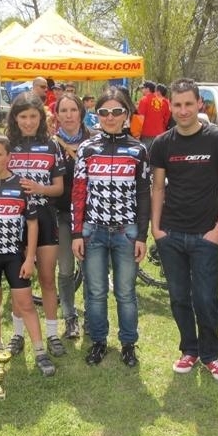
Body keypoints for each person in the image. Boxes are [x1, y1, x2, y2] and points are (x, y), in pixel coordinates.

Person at [150, 79, 218, 382]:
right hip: (171, 234)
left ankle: (211, 355)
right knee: (178, 297)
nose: (183, 110)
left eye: (189, 103)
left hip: (205, 235)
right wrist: (156, 229)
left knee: (205, 299)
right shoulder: (162, 143)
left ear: (199, 103)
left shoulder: (217, 139)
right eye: (177, 104)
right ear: (170, 106)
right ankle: (189, 349)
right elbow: (158, 187)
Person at [0, 92, 65, 358]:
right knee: (20, 281)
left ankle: (52, 333)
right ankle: (17, 334)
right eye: (23, 116)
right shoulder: (6, 144)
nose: (28, 122)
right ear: (14, 118)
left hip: (45, 218)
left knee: (47, 278)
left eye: (33, 116)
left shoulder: (52, 146)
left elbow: (59, 188)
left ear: (41, 117)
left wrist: (40, 188)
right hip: (13, 222)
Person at [0, 134, 55, 376]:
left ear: (9, 157)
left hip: (15, 255)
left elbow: (33, 224)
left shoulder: (22, 186)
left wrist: (30, 257)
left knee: (26, 303)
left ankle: (40, 352)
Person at [72, 87, 150, 367]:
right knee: (95, 292)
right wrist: (76, 232)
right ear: (97, 115)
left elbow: (144, 194)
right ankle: (98, 341)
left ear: (126, 114)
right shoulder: (86, 149)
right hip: (93, 230)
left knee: (126, 292)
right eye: (103, 112)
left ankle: (128, 343)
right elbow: (78, 192)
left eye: (117, 111)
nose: (110, 117)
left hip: (126, 232)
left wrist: (142, 235)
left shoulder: (138, 150)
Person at [52, 92, 93, 339]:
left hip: (90, 216)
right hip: (61, 214)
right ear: (56, 115)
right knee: (66, 269)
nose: (68, 115)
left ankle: (91, 317)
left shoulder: (95, 141)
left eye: (73, 110)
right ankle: (69, 318)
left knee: (90, 270)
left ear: (81, 113)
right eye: (63, 110)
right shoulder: (50, 144)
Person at [136, 80, 170, 149]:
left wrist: (136, 133)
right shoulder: (163, 101)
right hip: (160, 133)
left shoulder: (144, 100)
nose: (142, 90)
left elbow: (140, 118)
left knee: (146, 153)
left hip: (146, 134)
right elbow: (167, 118)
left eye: (143, 88)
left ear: (147, 89)